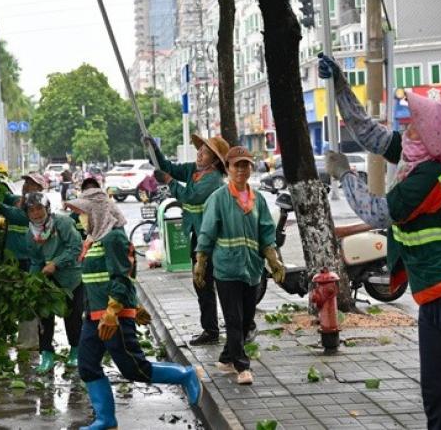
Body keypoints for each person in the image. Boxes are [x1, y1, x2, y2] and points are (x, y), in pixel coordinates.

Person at [320, 55, 441, 429]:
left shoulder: (430, 177)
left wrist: (345, 176)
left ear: (434, 138)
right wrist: (341, 86)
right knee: (438, 396)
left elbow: (378, 212)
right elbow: (368, 133)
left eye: (417, 125)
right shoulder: (413, 157)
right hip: (431, 298)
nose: (409, 128)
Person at [65, 189, 202, 429]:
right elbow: (97, 280)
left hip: (112, 317)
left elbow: (122, 276)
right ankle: (106, 419)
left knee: (134, 368)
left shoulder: (113, 238)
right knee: (87, 366)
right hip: (93, 317)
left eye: (83, 213)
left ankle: (185, 374)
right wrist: (132, 305)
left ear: (96, 212)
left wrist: (114, 311)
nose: (80, 218)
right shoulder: (93, 239)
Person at [195, 146, 285, 385]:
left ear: (251, 168)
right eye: (237, 165)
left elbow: (266, 232)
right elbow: (206, 233)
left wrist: (273, 259)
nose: (241, 170)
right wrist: (201, 263)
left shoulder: (258, 200)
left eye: (245, 165)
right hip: (226, 268)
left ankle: (226, 357)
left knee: (246, 321)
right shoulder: (218, 199)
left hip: (252, 270)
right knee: (234, 319)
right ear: (228, 168)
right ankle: (241, 366)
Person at [143, 134, 229, 346]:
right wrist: (153, 149)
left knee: (208, 283)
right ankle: (210, 328)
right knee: (201, 283)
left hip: (210, 238)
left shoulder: (213, 179)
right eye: (200, 150)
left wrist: (169, 181)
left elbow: (189, 196)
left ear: (215, 160)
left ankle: (216, 329)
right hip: (197, 234)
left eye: (206, 152)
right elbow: (169, 167)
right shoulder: (194, 170)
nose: (200, 154)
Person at [25, 192, 83, 373]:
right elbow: (35, 260)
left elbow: (76, 247)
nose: (36, 214)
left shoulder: (63, 223)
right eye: (31, 210)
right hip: (47, 281)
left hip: (71, 278)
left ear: (47, 209)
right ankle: (47, 355)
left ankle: (76, 351)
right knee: (44, 318)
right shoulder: (30, 234)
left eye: (39, 209)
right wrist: (32, 280)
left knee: (72, 318)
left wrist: (55, 264)